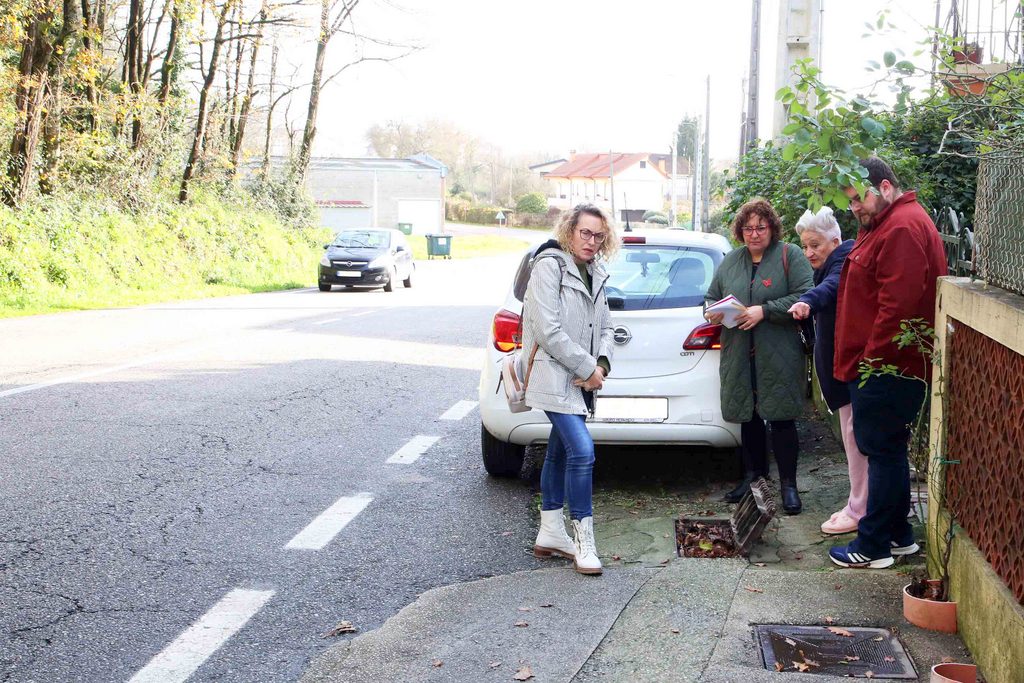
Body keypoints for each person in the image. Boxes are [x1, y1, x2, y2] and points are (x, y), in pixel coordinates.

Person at [828, 157, 948, 569]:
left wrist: (871, 363)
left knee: (880, 449)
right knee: (888, 448)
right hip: (886, 363)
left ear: (883, 187)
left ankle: (873, 545)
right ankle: (899, 536)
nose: (854, 208)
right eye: (849, 202)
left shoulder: (900, 227)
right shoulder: (888, 223)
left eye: (858, 199)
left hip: (887, 366)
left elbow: (898, 306)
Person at [522, 203, 617, 576]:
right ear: (569, 230)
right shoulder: (549, 266)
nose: (592, 241)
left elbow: (606, 327)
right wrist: (587, 367)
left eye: (599, 236)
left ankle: (549, 534)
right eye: (585, 233)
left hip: (581, 380)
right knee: (582, 450)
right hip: (553, 376)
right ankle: (583, 542)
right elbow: (547, 330)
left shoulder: (595, 272)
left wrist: (602, 364)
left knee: (560, 451)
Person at [705, 198, 813, 514]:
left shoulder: (790, 255)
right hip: (739, 352)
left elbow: (804, 295)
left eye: (760, 227)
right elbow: (711, 297)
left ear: (772, 228)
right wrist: (711, 312)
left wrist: (764, 311)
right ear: (740, 231)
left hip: (779, 352)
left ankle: (789, 486)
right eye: (748, 228)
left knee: (781, 418)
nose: (754, 234)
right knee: (748, 417)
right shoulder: (731, 260)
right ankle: (753, 480)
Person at [787, 206, 863, 535]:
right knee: (853, 442)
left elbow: (832, 287)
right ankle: (857, 505)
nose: (808, 252)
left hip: (849, 374)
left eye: (815, 245)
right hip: (843, 375)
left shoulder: (843, 260)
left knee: (857, 444)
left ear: (834, 241)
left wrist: (807, 301)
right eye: (805, 246)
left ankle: (858, 510)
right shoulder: (835, 260)